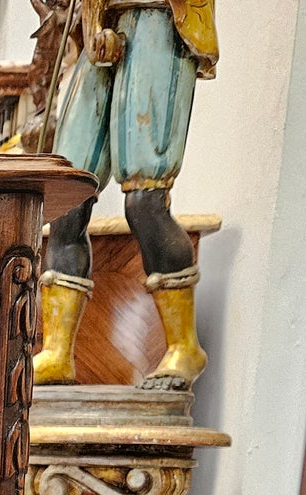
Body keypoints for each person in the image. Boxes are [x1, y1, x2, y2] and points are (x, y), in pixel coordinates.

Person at [33, 0, 218, 390]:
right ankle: (58, 353)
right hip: (100, 24)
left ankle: (184, 346)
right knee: (69, 197)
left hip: (160, 20)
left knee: (144, 200)